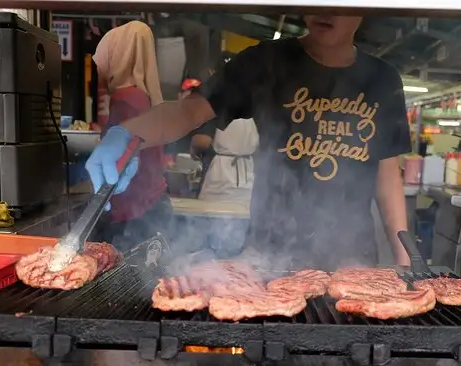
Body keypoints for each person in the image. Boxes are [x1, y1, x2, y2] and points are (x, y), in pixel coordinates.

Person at [86, 15, 412, 270]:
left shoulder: (382, 80)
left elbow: (387, 175)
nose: (325, 8)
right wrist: (130, 131)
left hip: (350, 262)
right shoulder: (265, 62)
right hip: (269, 259)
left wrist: (404, 257)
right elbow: (191, 110)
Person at [88, 21, 172, 251]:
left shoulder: (126, 98)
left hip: (133, 216)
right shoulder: (147, 96)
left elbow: (120, 167)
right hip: (154, 207)